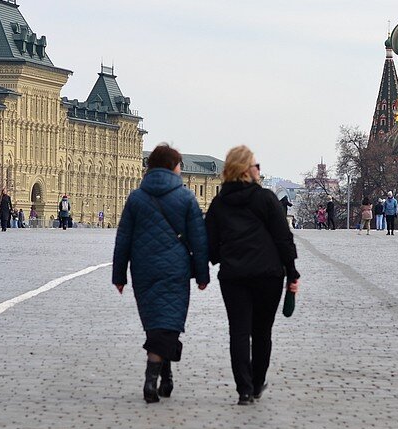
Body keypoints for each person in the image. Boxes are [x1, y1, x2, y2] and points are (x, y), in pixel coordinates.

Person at [113, 143, 210, 404]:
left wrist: (119, 275)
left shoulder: (136, 197)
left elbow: (123, 239)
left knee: (156, 323)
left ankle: (165, 376)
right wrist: (202, 275)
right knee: (168, 322)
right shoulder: (187, 197)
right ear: (173, 167)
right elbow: (199, 241)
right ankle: (151, 380)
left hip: (143, 271)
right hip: (176, 271)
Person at [205, 145, 298, 406]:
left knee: (238, 331)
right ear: (246, 169)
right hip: (268, 275)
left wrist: (215, 261)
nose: (259, 170)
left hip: (234, 276)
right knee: (261, 331)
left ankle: (244, 389)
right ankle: (257, 383)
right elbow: (283, 239)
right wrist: (292, 272)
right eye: (256, 165)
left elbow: (209, 244)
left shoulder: (219, 202)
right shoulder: (266, 199)